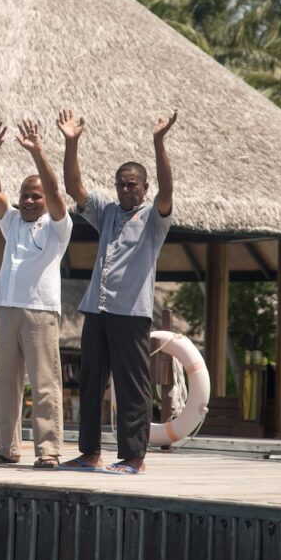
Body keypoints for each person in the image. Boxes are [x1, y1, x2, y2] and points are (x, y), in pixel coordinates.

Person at [57, 107, 178, 474]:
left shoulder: (155, 219)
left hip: (131, 313)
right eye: (120, 184)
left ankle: (134, 457)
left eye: (132, 184)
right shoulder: (107, 211)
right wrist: (71, 143)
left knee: (131, 386)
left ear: (144, 187)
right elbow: (73, 187)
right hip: (98, 307)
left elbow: (168, 189)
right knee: (90, 382)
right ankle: (89, 452)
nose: (125, 189)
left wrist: (158, 143)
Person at [0, 119, 72, 468]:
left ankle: (48, 449)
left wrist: (37, 153)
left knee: (44, 383)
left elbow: (58, 194)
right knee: (5, 384)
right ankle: (7, 446)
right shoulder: (13, 221)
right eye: (25, 195)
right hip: (8, 309)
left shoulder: (59, 226)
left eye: (36, 195)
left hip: (40, 312)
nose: (30, 200)